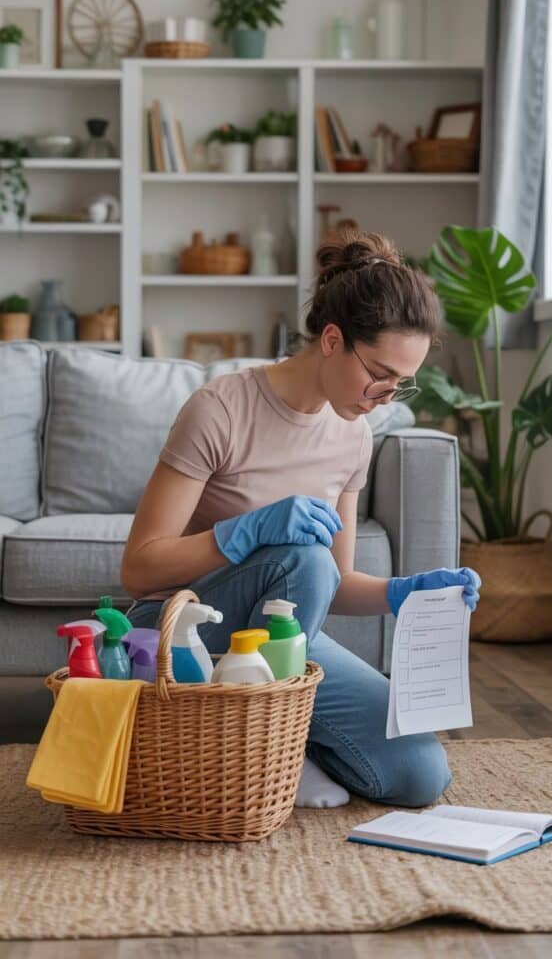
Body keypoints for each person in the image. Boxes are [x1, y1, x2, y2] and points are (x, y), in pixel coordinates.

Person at [121, 229, 480, 809]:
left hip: (280, 643)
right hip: (183, 633)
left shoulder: (354, 435)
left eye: (402, 382)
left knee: (420, 773)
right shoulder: (220, 409)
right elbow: (139, 570)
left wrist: (406, 594)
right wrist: (244, 534)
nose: (387, 396)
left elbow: (331, 585)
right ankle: (275, 750)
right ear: (333, 340)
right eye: (380, 374)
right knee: (302, 554)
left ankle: (286, 740)